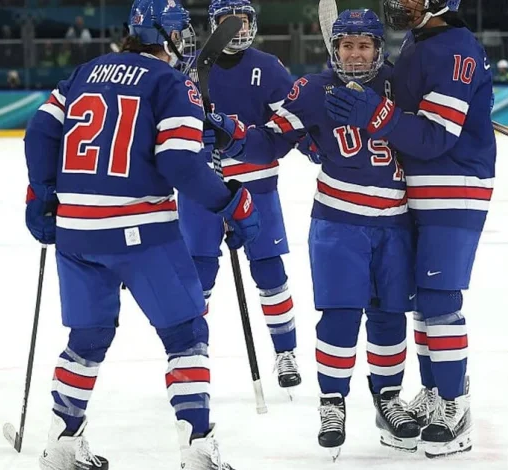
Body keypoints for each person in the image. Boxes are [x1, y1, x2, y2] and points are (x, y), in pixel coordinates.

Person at [23, 1, 259, 468]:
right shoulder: (170, 83)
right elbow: (178, 164)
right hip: (139, 230)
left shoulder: (86, 71)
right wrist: (229, 201)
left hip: (76, 231)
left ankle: (62, 443)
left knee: (87, 336)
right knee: (186, 332)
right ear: (163, 36)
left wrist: (43, 194)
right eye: (181, 34)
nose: (186, 42)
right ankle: (197, 449)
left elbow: (39, 131)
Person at [204, 9, 420, 458]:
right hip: (339, 224)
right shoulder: (314, 90)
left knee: (389, 315)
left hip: (395, 224)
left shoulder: (402, 85)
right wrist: (233, 135)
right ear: (334, 48)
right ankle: (332, 402)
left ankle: (388, 398)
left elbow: (429, 134)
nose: (355, 54)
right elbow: (271, 138)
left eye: (364, 46)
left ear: (379, 49)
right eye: (346, 46)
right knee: (340, 315)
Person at [325, 0, 496, 458]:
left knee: (440, 299)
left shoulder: (457, 48)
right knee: (422, 296)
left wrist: (377, 115)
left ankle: (455, 404)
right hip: (419, 186)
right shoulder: (420, 39)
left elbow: (436, 137)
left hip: (454, 183)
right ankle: (437, 391)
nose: (400, 2)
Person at [177, 0, 301, 391]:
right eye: (229, 21)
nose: (238, 28)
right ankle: (190, 355)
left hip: (257, 184)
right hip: (201, 185)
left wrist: (245, 142)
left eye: (243, 20)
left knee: (269, 269)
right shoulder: (187, 66)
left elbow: (288, 126)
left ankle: (285, 353)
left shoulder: (269, 67)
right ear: (214, 24)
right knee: (200, 272)